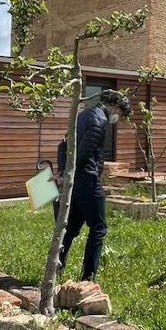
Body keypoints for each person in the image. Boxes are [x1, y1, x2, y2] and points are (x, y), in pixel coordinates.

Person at [54, 89, 131, 281]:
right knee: (98, 228)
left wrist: (63, 172)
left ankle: (57, 269)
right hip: (87, 181)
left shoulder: (82, 115)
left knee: (70, 228)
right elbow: (84, 154)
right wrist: (67, 174)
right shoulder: (99, 121)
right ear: (114, 106)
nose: (118, 118)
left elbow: (62, 145)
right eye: (120, 114)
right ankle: (88, 277)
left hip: (74, 182)